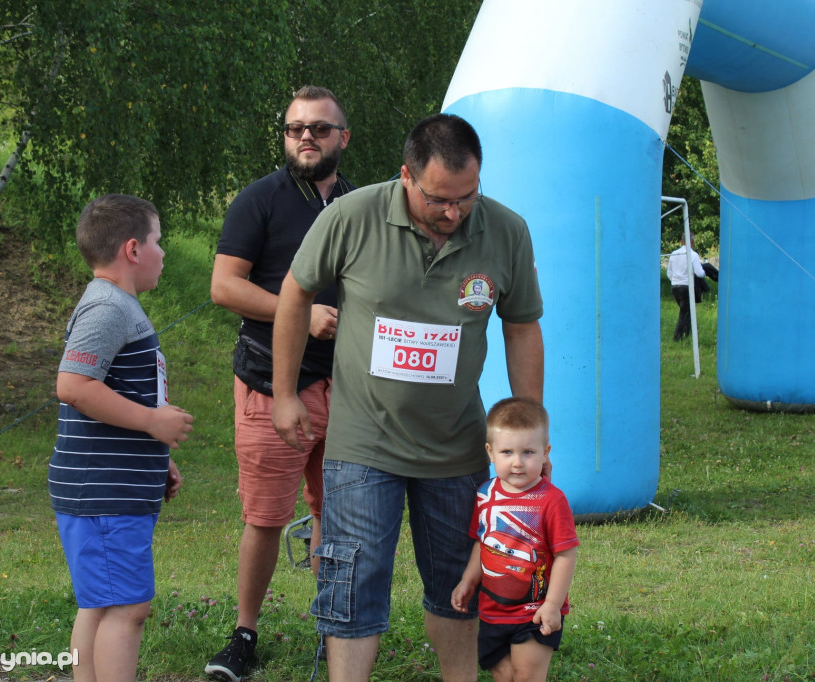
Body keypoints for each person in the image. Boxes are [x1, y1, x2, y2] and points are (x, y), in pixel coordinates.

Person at [272, 113, 546, 682]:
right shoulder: (351, 217)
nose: (453, 212)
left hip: (454, 448)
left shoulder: (505, 231)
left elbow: (521, 327)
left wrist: (530, 429)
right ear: (406, 177)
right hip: (362, 442)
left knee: (459, 583)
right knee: (353, 581)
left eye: (466, 198)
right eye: (439, 200)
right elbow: (295, 295)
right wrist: (284, 392)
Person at [206, 85, 353, 682]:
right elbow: (224, 287)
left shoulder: (360, 202)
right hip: (272, 383)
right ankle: (244, 634)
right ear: (285, 137)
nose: (306, 137)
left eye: (319, 128)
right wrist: (300, 312)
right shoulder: (259, 199)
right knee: (266, 517)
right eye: (296, 129)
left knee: (337, 511)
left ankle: (333, 629)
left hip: (349, 388)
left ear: (343, 137)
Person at [48, 194, 194, 682]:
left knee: (100, 605)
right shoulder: (109, 307)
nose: (164, 252)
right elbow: (73, 386)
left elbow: (117, 394)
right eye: (159, 242)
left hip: (107, 488)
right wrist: (154, 424)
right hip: (102, 493)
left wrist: (156, 458)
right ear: (133, 250)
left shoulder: (116, 305)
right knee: (126, 609)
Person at [451, 398, 578, 682]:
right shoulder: (485, 494)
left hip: (535, 610)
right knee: (504, 674)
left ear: (546, 453)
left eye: (529, 452)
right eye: (507, 452)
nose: (518, 462)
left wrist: (553, 605)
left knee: (526, 675)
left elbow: (566, 555)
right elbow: (480, 541)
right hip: (493, 610)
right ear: (490, 452)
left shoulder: (551, 500)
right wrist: (468, 581)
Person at [666, 232, 707, 341]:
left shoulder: (674, 254)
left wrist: (675, 280)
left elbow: (669, 272)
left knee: (687, 311)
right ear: (692, 242)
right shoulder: (693, 255)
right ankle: (677, 337)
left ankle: (688, 333)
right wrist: (705, 272)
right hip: (686, 287)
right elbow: (699, 273)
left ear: (681, 241)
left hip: (674, 287)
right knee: (684, 313)